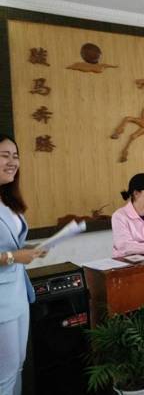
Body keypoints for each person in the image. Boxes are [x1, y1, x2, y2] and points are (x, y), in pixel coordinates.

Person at [0, 134, 47, 395]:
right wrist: (13, 257)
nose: (12, 162)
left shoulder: (8, 200)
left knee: (18, 367)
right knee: (4, 376)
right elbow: (9, 254)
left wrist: (28, 250)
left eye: (15, 156)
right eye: (4, 156)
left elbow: (11, 245)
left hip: (18, 294)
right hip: (1, 303)